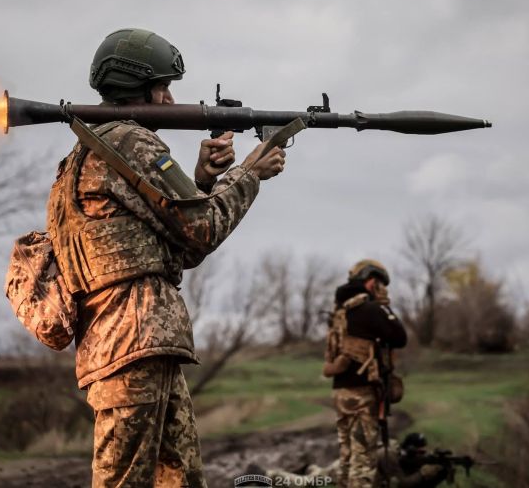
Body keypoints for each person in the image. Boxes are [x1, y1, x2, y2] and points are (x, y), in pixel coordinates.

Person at [48, 28, 287, 487]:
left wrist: (201, 181)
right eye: (164, 87)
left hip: (136, 344)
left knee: (180, 480)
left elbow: (173, 246)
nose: (171, 97)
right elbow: (203, 230)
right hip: (132, 343)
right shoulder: (131, 144)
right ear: (139, 88)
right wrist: (250, 173)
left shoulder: (88, 153)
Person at [323, 259, 408, 488]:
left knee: (347, 457)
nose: (383, 289)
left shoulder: (340, 312)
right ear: (371, 282)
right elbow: (400, 337)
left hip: (340, 393)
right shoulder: (371, 309)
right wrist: (384, 306)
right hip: (362, 395)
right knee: (363, 462)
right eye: (381, 284)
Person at [263, 433, 452, 488]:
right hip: (340, 477)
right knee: (306, 484)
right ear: (409, 450)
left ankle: (311, 469)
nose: (422, 456)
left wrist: (438, 474)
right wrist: (424, 474)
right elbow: (400, 484)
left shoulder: (398, 456)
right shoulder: (389, 455)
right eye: (419, 453)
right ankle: (266, 475)